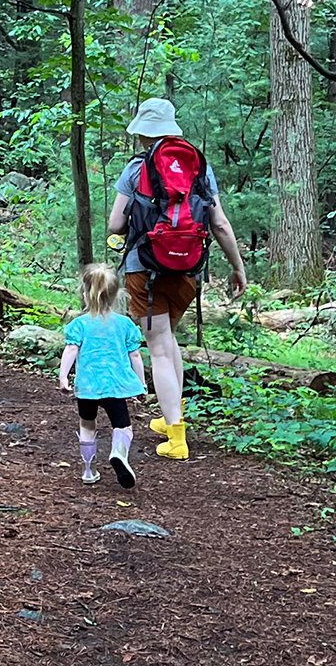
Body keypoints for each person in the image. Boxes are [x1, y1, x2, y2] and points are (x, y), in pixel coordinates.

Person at [107, 97, 248, 461]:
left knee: (158, 349)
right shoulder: (199, 167)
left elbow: (115, 224)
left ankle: (176, 437)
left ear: (143, 134)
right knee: (169, 344)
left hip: (146, 268)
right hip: (188, 269)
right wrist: (237, 266)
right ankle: (173, 415)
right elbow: (218, 222)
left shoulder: (136, 169)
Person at [58, 263, 145, 488]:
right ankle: (118, 453)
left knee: (87, 425)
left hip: (87, 387)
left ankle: (89, 470)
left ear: (86, 294)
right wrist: (141, 384)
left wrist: (63, 376)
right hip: (115, 387)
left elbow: (71, 350)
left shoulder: (79, 325)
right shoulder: (125, 325)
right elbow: (135, 356)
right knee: (122, 426)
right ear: (116, 295)